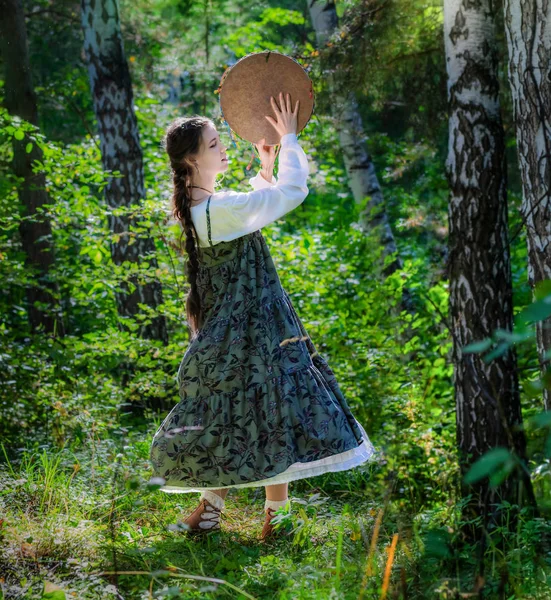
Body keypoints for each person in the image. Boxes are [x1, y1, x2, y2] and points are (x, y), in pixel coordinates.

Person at [150, 92, 377, 541]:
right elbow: (292, 194)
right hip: (253, 326)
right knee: (267, 409)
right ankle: (273, 518)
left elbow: (250, 210)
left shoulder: (199, 209)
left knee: (240, 412)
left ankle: (217, 511)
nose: (224, 148)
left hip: (237, 327)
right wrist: (290, 139)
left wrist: (265, 170)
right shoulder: (216, 210)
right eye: (214, 144)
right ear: (193, 160)